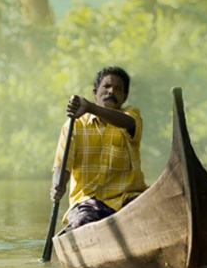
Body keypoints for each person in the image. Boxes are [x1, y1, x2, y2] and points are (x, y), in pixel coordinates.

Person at [50, 66, 148, 229]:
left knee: (150, 210)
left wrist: (89, 107)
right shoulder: (75, 125)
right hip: (88, 202)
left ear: (124, 97)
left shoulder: (130, 116)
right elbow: (62, 165)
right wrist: (57, 186)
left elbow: (128, 123)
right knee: (83, 221)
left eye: (118, 89)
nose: (111, 91)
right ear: (95, 92)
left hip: (127, 198)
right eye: (107, 86)